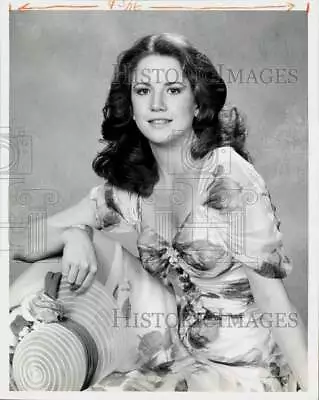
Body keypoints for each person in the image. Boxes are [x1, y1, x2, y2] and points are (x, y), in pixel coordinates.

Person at [12, 33, 307, 392]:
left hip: (246, 367)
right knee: (74, 245)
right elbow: (22, 241)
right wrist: (73, 234)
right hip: (177, 349)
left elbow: (275, 302)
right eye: (142, 91)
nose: (156, 103)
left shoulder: (227, 178)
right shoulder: (132, 187)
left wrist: (311, 389)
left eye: (172, 90)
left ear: (197, 104)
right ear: (131, 108)